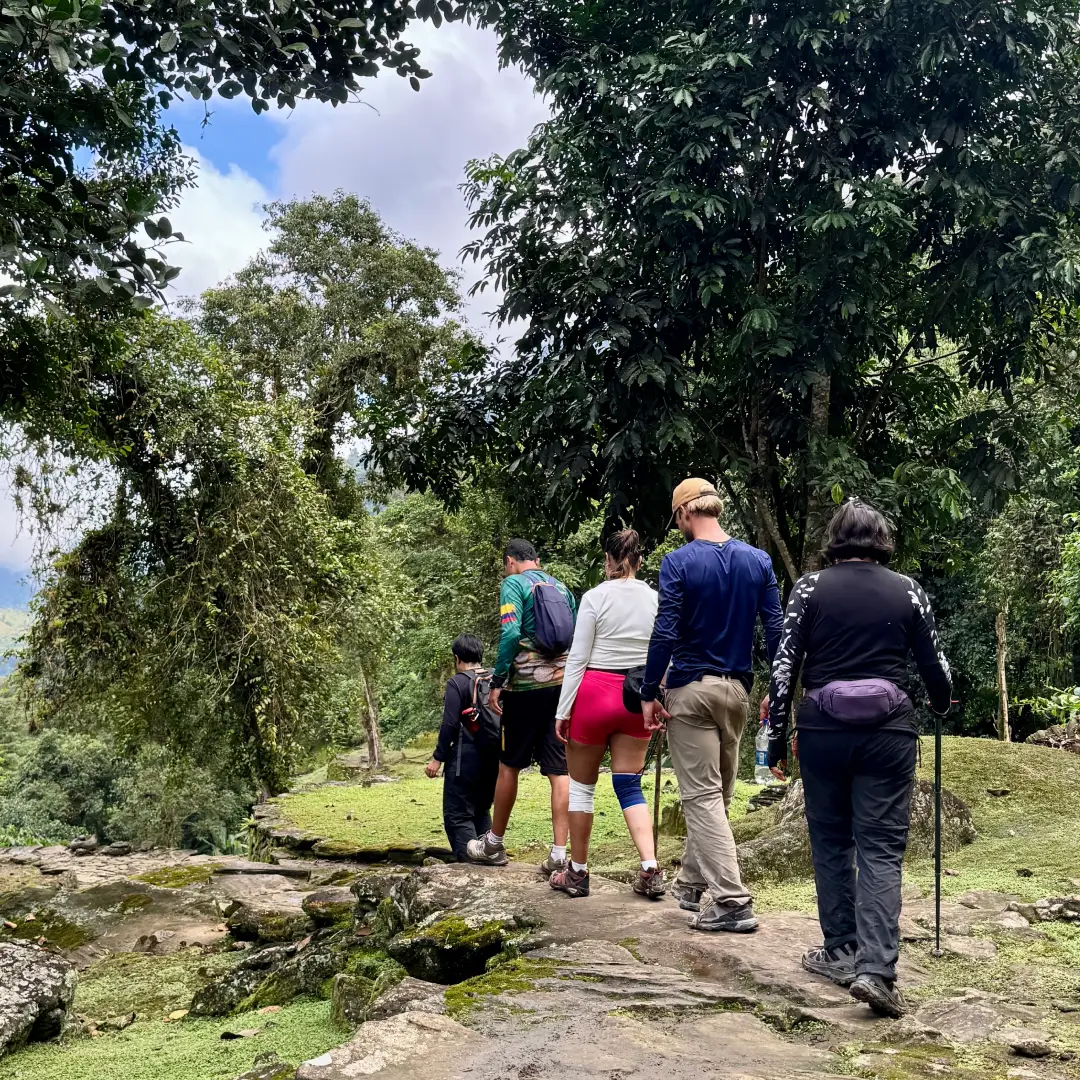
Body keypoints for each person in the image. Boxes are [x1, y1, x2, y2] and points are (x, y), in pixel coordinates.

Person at [766, 499, 952, 1019]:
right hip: (888, 734)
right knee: (881, 848)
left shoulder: (809, 588)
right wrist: (941, 704)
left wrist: (775, 739)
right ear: (882, 541)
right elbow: (936, 669)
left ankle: (840, 952)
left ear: (835, 541)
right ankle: (877, 972)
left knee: (830, 841)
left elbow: (784, 668)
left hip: (822, 731)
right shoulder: (908, 590)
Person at [641, 479, 783, 933]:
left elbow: (666, 631)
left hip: (690, 691)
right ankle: (689, 883)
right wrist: (779, 688)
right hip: (737, 692)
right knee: (717, 794)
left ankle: (732, 901)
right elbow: (777, 631)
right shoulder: (758, 561)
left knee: (702, 796)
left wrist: (648, 691)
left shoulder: (679, 562)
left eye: (677, 520)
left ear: (685, 513)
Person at [547, 529, 662, 899]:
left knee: (582, 788)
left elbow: (578, 658)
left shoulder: (595, 597)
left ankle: (577, 873)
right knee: (629, 785)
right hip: (637, 697)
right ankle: (650, 867)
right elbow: (664, 652)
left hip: (594, 694)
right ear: (639, 560)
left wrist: (563, 710)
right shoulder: (655, 599)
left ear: (608, 561)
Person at [467, 539, 577, 872]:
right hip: (561, 688)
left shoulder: (513, 584)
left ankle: (493, 844)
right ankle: (559, 853)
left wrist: (498, 681)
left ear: (510, 561)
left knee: (509, 765)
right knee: (560, 771)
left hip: (525, 690)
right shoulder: (561, 587)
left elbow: (511, 633)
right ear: (537, 560)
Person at [426, 635, 501, 862]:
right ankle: (492, 852)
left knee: (458, 815)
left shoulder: (457, 683)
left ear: (457, 658)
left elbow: (449, 724)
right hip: (494, 760)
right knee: (481, 811)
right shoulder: (495, 678)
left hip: (464, 762)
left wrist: (437, 758)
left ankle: (471, 865)